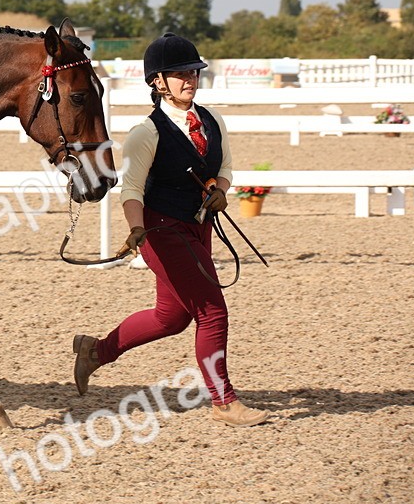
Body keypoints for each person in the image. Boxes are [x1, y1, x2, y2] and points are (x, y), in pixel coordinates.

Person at [71, 32, 270, 427]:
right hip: (161, 231)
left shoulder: (212, 121)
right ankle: (224, 401)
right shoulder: (148, 132)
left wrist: (220, 190)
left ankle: (96, 351)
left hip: (199, 228)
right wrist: (135, 229)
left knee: (171, 317)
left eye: (193, 73)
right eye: (180, 75)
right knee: (213, 313)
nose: (190, 81)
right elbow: (131, 189)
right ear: (158, 82)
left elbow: (224, 169)